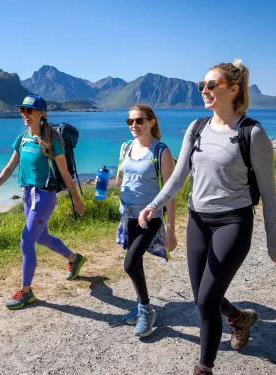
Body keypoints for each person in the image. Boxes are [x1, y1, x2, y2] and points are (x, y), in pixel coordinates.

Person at [138, 59, 276, 375]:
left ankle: (203, 368)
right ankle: (239, 318)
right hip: (198, 221)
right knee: (202, 297)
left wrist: (273, 243)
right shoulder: (196, 128)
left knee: (206, 300)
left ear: (233, 90)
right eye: (201, 85)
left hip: (233, 223)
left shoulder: (253, 134)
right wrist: (154, 204)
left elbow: (270, 193)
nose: (204, 90)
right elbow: (179, 176)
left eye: (211, 85)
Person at [0, 94, 86, 310]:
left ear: (42, 114)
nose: (25, 115)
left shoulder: (52, 140)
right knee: (42, 237)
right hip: (28, 195)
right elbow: (10, 167)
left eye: (29, 111)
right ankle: (74, 258)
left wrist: (77, 199)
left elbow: (65, 173)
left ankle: (26, 291)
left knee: (26, 241)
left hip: (45, 196)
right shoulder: (22, 139)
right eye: (22, 111)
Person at [115, 104, 177, 337]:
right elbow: (120, 180)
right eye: (130, 121)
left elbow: (169, 193)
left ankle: (146, 309)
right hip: (127, 216)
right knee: (136, 262)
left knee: (130, 264)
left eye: (139, 121)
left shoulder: (162, 152)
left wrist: (171, 230)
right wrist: (100, 184)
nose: (134, 126)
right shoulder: (125, 147)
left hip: (150, 219)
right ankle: (142, 304)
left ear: (152, 121)